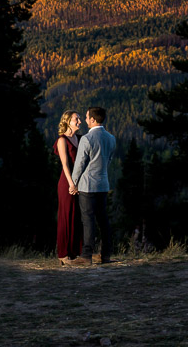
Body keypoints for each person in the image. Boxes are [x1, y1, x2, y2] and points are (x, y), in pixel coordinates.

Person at [69, 106, 118, 264]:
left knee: (88, 220)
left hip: (87, 185)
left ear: (93, 120)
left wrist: (73, 183)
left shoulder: (87, 139)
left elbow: (80, 164)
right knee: (103, 220)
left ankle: (86, 256)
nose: (85, 120)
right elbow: (109, 160)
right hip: (103, 184)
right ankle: (106, 255)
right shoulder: (111, 138)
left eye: (87, 117)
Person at [53, 110, 84, 265]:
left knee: (77, 216)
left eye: (79, 119)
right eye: (76, 119)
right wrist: (71, 183)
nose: (79, 121)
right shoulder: (62, 140)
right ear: (67, 121)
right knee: (66, 215)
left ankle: (74, 252)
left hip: (79, 182)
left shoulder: (80, 138)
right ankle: (63, 254)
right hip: (67, 182)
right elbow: (65, 164)